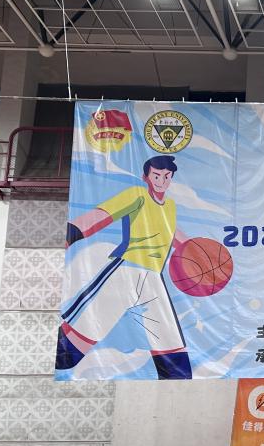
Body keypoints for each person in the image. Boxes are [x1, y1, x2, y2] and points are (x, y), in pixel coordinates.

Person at [56, 155, 194, 379]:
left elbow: (173, 233)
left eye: (166, 176)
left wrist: (197, 252)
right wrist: (70, 235)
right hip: (125, 272)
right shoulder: (136, 194)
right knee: (68, 355)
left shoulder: (170, 206)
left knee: (176, 365)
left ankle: (175, 397)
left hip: (153, 280)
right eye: (156, 175)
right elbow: (101, 216)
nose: (161, 181)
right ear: (145, 177)